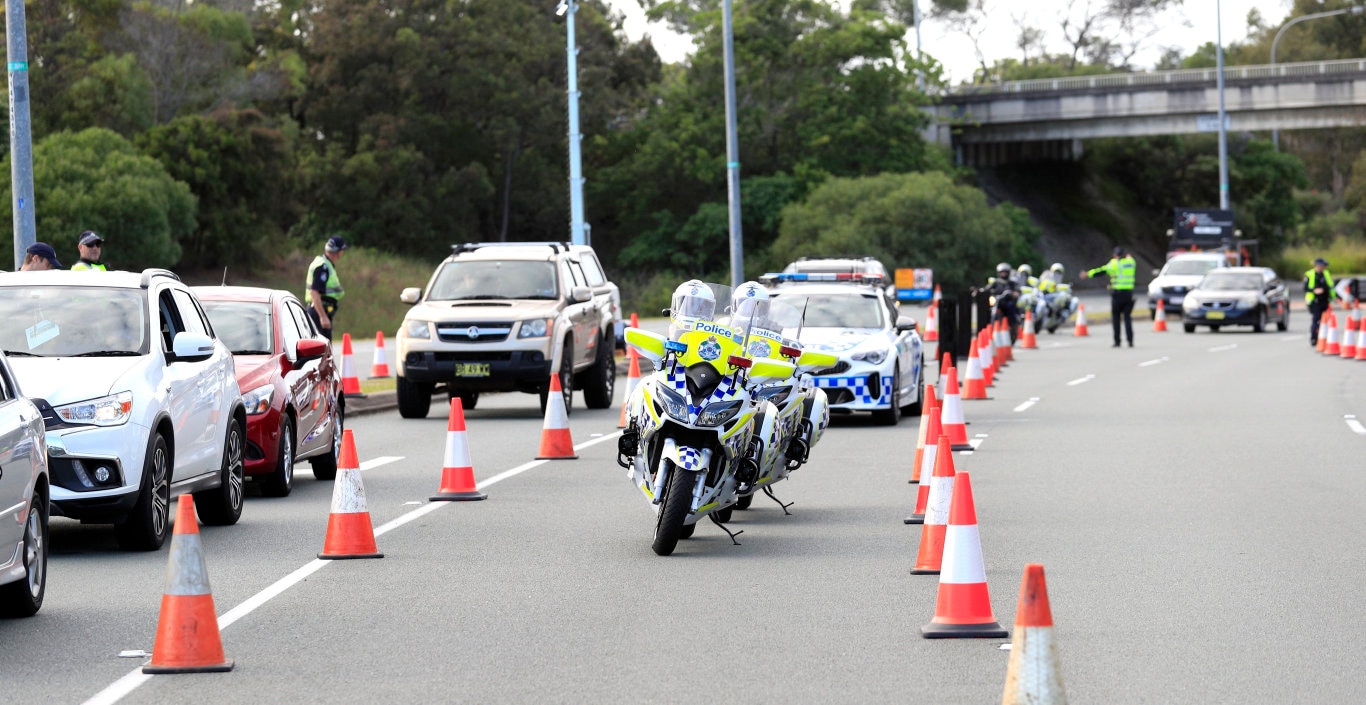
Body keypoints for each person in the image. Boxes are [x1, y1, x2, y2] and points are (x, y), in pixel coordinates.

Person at [1084, 246, 1137, 347]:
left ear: (1115, 255)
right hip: (1128, 294)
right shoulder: (1131, 262)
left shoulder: (1114, 264)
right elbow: (1130, 258)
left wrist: (1088, 274)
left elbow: (1101, 271)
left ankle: (1117, 341)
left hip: (1118, 294)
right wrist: (1129, 257)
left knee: (1116, 318)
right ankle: (1130, 341)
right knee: (1127, 317)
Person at [304, 236, 347, 341]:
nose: (343, 252)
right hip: (318, 312)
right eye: (342, 250)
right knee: (324, 351)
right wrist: (323, 317)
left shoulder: (324, 264)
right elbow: (314, 293)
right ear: (338, 251)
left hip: (319, 311)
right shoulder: (323, 267)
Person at [984, 262, 1021, 340]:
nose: (1003, 274)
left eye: (1005, 272)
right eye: (1002, 272)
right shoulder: (996, 282)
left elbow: (1017, 290)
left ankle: (1012, 325)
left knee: (1011, 306)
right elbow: (987, 288)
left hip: (1007, 302)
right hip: (998, 302)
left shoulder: (1011, 282)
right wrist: (980, 290)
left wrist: (1014, 293)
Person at [1305, 257, 1335, 346]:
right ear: (1317, 266)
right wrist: (1314, 290)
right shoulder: (1310, 274)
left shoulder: (1326, 274)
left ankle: (1324, 338)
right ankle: (1314, 338)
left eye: (1324, 266)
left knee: (1326, 320)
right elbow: (1305, 288)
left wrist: (1334, 297)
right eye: (1321, 266)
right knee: (1316, 320)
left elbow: (1330, 287)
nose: (1323, 268)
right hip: (1315, 301)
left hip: (1325, 301)